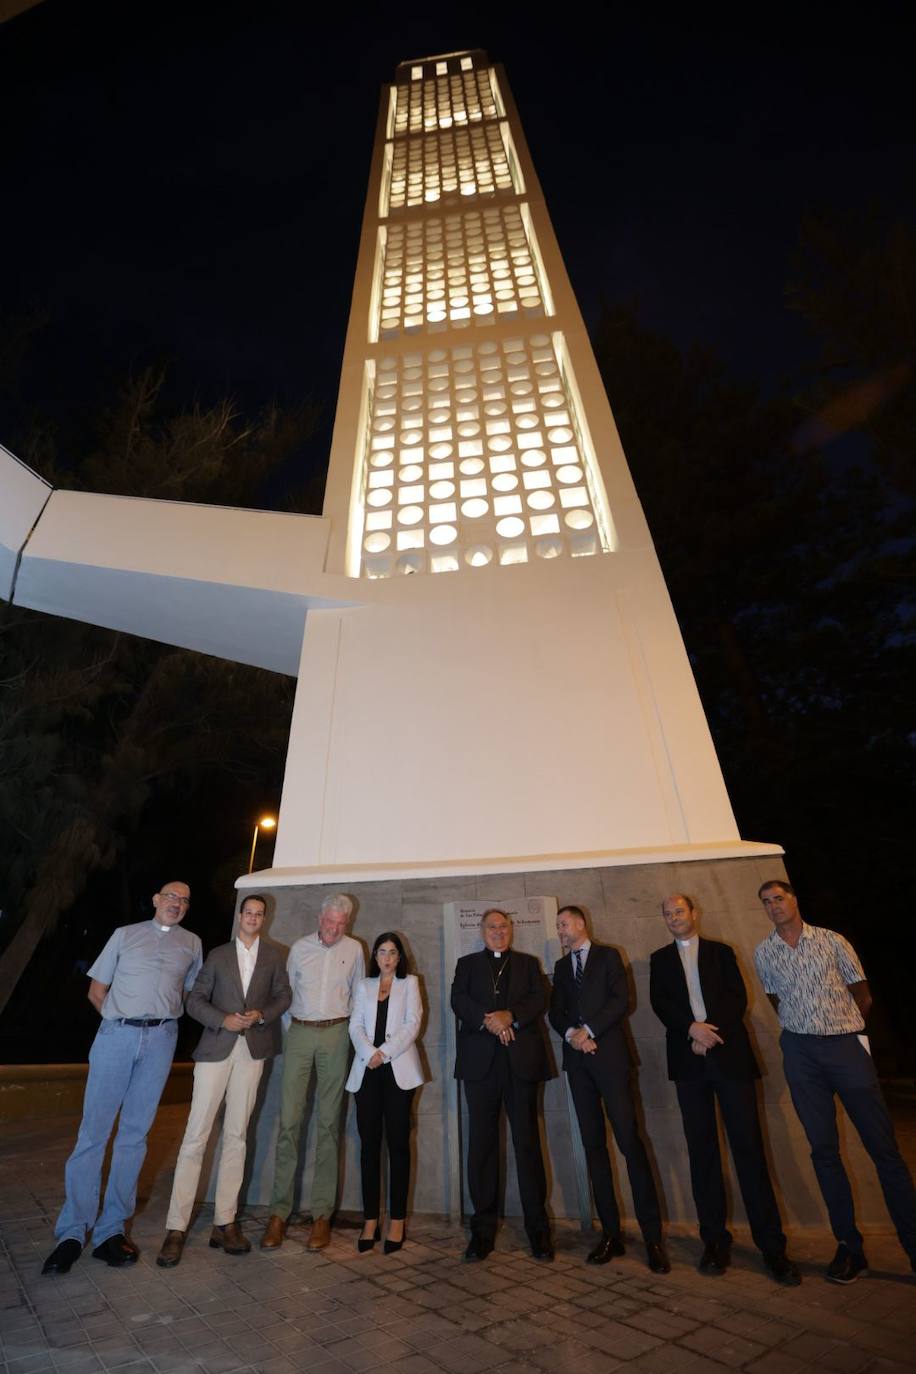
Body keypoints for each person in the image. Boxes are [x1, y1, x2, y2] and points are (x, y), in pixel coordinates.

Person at [754, 879, 916, 1284]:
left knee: (884, 1149)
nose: (774, 906)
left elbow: (863, 995)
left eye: (779, 898)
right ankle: (849, 1248)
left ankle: (913, 1244)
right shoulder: (764, 952)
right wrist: (806, 1027)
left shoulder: (832, 941)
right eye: (767, 902)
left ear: (794, 900)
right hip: (800, 1053)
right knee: (823, 1152)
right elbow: (777, 1001)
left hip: (845, 1047)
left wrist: (841, 1028)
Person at [42, 881, 201, 1275]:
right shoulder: (124, 935)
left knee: (134, 1135)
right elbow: (97, 991)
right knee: (93, 1134)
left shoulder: (192, 944)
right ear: (156, 900)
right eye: (170, 896)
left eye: (183, 900)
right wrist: (119, 1023)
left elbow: (186, 992)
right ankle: (72, 1232)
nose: (176, 903)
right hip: (117, 1036)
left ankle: (111, 1231)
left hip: (161, 1039)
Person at [649, 893, 800, 1284]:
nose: (673, 917)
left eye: (679, 911)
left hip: (729, 1058)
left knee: (749, 1150)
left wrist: (709, 1032)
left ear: (694, 913)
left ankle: (773, 1248)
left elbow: (738, 998)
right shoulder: (659, 959)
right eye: (667, 914)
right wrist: (691, 1029)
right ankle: (714, 1243)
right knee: (702, 1154)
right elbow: (660, 1004)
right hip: (688, 1064)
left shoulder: (721, 951)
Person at [156, 894, 292, 1267]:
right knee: (195, 1137)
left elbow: (284, 996)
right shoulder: (217, 955)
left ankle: (224, 1223)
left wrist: (262, 1014)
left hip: (253, 1052)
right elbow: (194, 1001)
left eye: (259, 914)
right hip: (215, 1050)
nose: (253, 918)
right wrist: (223, 1020)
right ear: (240, 916)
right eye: (248, 912)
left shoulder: (274, 956)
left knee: (237, 1137)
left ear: (264, 918)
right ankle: (176, 1228)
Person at [549, 904, 670, 1273]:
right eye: (558, 926)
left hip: (611, 1061)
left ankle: (652, 1239)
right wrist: (574, 1035)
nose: (560, 931)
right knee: (593, 1147)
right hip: (578, 1065)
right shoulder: (561, 967)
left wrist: (590, 1031)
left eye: (564, 924)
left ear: (581, 923)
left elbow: (621, 1001)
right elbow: (555, 1012)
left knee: (630, 1142)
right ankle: (611, 1234)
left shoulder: (609, 956)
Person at [261, 893, 364, 1251]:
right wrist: (295, 1032)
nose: (334, 928)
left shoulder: (355, 949)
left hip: (336, 1033)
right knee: (289, 1122)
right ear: (320, 919)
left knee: (329, 1124)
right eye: (329, 921)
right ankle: (279, 1214)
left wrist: (348, 1034)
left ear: (347, 923)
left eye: (341, 923)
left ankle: (322, 1215)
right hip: (301, 1033)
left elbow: (359, 997)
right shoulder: (300, 948)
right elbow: (285, 995)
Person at [451, 909, 554, 1262]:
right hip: (480, 1066)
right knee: (481, 1146)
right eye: (492, 927)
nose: (498, 931)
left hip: (520, 1064)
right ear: (482, 931)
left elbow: (539, 998)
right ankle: (482, 1231)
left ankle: (538, 1230)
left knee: (528, 1144)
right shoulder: (466, 965)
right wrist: (491, 1022)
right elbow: (458, 1000)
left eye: (503, 926)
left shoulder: (527, 963)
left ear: (512, 930)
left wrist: (512, 1016)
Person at [346, 931, 424, 1253]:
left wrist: (385, 1053)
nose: (387, 957)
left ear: (400, 956)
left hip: (397, 1071)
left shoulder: (410, 983)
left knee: (399, 1146)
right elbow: (355, 1025)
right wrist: (370, 1054)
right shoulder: (364, 986)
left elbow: (412, 1023)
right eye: (382, 952)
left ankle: (397, 1221)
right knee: (369, 1147)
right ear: (375, 956)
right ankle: (370, 1220)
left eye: (392, 952)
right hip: (366, 1071)